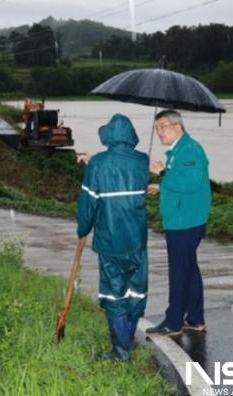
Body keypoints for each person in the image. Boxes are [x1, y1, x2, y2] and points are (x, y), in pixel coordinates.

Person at [77, 113, 149, 362]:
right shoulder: (142, 160)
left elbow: (89, 203)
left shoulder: (98, 163)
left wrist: (82, 229)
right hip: (137, 240)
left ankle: (120, 352)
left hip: (111, 240)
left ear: (108, 135)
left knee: (113, 293)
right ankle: (127, 340)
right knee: (136, 290)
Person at [145, 109, 211, 336]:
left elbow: (191, 183)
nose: (159, 132)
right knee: (189, 268)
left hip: (185, 221)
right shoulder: (177, 151)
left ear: (177, 127)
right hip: (182, 218)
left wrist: (163, 173)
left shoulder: (190, 150)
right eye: (157, 128)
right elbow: (182, 181)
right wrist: (162, 185)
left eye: (163, 127)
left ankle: (173, 323)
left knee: (179, 271)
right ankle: (194, 318)